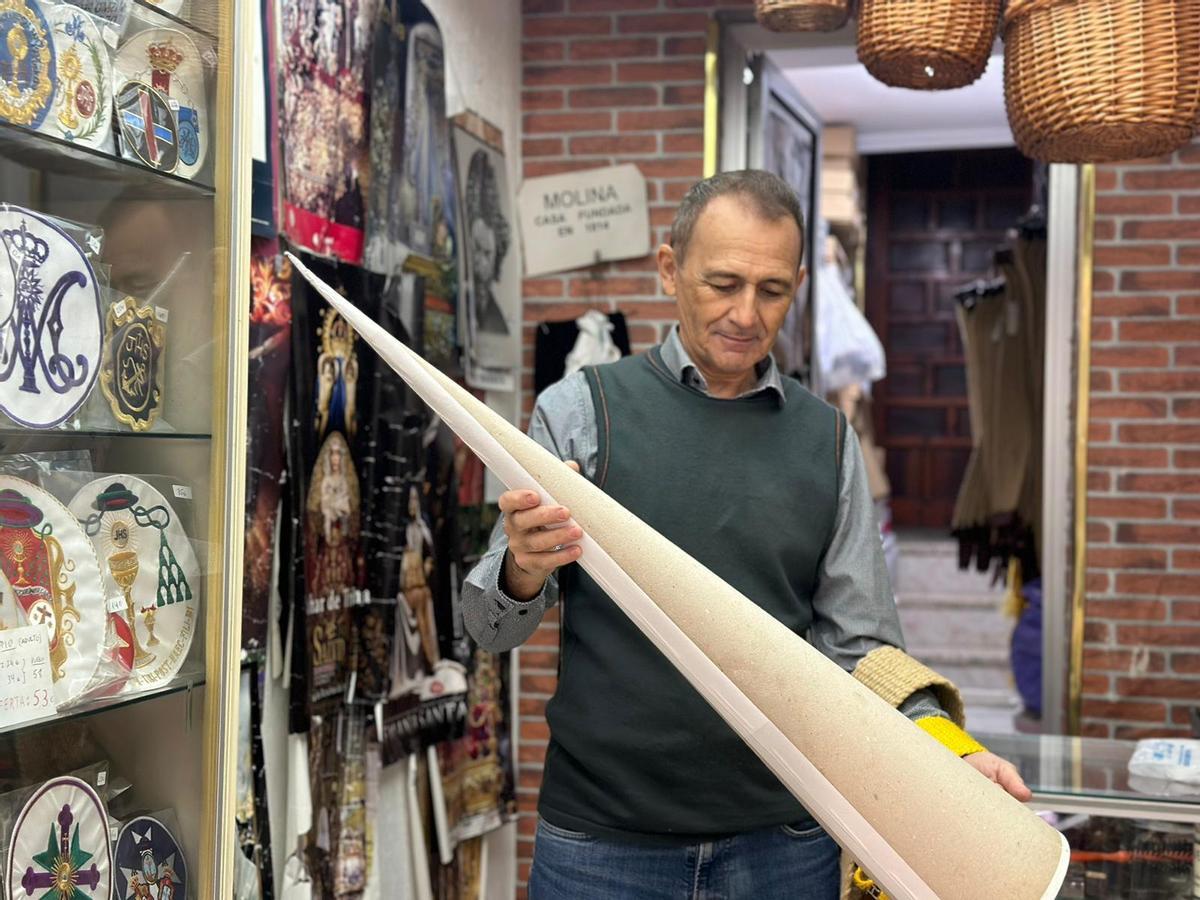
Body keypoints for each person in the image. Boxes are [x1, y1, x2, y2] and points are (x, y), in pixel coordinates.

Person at [461, 171, 1029, 899]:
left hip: (783, 843)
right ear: (670, 269)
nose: (745, 314)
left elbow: (860, 648)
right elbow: (487, 627)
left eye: (771, 291)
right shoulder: (581, 411)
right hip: (602, 845)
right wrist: (522, 570)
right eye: (722, 283)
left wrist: (942, 748)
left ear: (797, 284)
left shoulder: (825, 439)